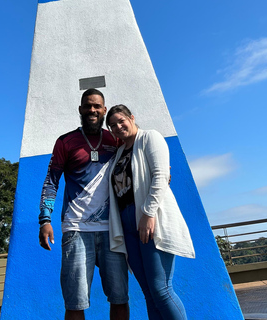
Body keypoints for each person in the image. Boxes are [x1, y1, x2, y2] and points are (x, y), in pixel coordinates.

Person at [38, 89, 130, 320]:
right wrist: (45, 219)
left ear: (104, 110)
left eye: (97, 106)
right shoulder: (65, 142)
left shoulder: (116, 139)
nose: (92, 110)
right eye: (88, 106)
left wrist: (162, 169)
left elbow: (139, 157)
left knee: (120, 298)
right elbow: (51, 181)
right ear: (80, 109)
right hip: (76, 229)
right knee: (75, 302)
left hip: (113, 230)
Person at [106, 105, 195, 320]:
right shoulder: (118, 153)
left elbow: (161, 175)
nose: (118, 127)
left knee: (161, 289)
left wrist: (147, 213)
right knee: (148, 293)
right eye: (112, 126)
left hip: (149, 221)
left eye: (121, 121)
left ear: (132, 118)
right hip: (127, 227)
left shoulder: (150, 138)